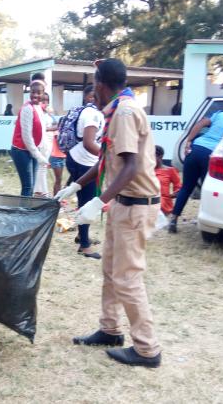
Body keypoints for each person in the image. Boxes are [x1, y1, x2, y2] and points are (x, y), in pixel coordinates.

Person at [56, 58, 162, 368]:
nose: (92, 95)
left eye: (93, 88)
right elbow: (104, 160)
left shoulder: (125, 112)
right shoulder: (117, 111)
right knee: (111, 271)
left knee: (127, 279)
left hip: (135, 206)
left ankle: (147, 350)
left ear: (100, 86)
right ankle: (110, 329)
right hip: (123, 204)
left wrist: (97, 201)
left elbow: (129, 167)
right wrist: (74, 187)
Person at [168, 107, 223, 233]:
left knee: (186, 187)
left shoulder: (221, 114)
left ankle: (173, 219)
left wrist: (189, 140)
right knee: (207, 190)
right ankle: (207, 222)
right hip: (210, 155)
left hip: (195, 149)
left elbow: (200, 124)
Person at [64, 85, 105, 259]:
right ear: (91, 98)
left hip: (79, 159)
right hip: (84, 161)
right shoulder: (93, 113)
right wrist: (106, 158)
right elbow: (89, 142)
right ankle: (85, 246)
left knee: (85, 201)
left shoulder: (92, 113)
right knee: (86, 204)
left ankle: (83, 236)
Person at [10, 79, 49, 196]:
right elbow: (27, 137)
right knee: (28, 186)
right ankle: (23, 213)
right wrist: (39, 156)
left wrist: (43, 151)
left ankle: (26, 212)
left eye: (39, 92)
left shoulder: (39, 108)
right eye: (33, 92)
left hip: (32, 150)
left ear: (43, 93)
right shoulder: (27, 109)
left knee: (31, 186)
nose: (35, 95)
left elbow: (41, 130)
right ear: (29, 92)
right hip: (21, 151)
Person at [34, 93, 55, 197]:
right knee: (43, 167)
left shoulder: (47, 114)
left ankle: (38, 191)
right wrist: (53, 128)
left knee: (42, 167)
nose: (45, 103)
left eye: (47, 101)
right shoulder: (39, 114)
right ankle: (45, 193)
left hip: (49, 142)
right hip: (43, 142)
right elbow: (42, 129)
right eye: (43, 101)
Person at [154, 145, 181, 215]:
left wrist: (172, 195)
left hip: (162, 203)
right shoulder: (146, 170)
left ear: (160, 157)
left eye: (153, 157)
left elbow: (178, 187)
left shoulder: (170, 170)